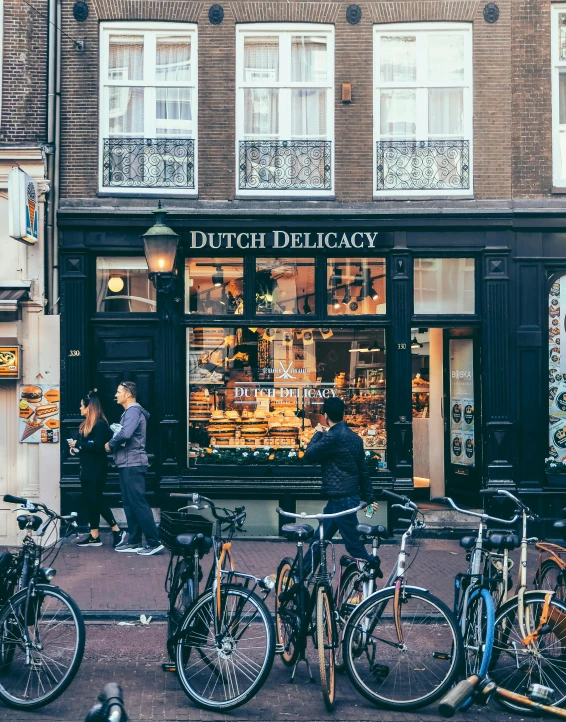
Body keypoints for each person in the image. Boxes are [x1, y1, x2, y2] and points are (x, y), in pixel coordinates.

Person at [302, 396, 381, 572]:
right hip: (346, 499)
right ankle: (299, 577)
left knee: (353, 545)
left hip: (341, 500)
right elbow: (363, 470)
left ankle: (371, 573)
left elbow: (309, 455)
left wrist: (318, 432)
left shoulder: (332, 436)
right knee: (319, 541)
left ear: (326, 415)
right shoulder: (355, 439)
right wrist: (370, 498)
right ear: (343, 414)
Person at [104, 381, 164, 556]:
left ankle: (153, 542)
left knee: (138, 503)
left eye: (118, 392)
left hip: (133, 463)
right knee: (130, 504)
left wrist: (110, 444)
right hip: (127, 463)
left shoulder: (133, 412)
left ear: (128, 394)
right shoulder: (130, 412)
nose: (115, 395)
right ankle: (135, 541)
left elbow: (125, 434)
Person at [69, 391, 126, 548]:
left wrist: (79, 445)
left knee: (96, 499)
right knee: (90, 501)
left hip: (97, 469)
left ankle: (117, 530)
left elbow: (99, 446)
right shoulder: (85, 425)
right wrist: (75, 449)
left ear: (89, 407)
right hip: (86, 468)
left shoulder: (101, 424)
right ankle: (94, 535)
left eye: (82, 405)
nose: (80, 408)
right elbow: (86, 446)